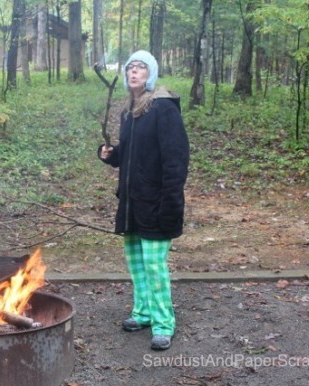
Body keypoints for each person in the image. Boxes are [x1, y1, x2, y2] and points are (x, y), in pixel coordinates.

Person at [97, 50, 190, 350]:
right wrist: (112, 155)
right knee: (137, 264)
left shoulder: (163, 108)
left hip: (157, 202)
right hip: (133, 204)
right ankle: (144, 312)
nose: (133, 72)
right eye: (130, 68)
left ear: (151, 74)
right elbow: (131, 155)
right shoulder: (130, 111)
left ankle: (164, 323)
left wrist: (171, 203)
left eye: (140, 68)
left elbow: (176, 160)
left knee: (154, 265)